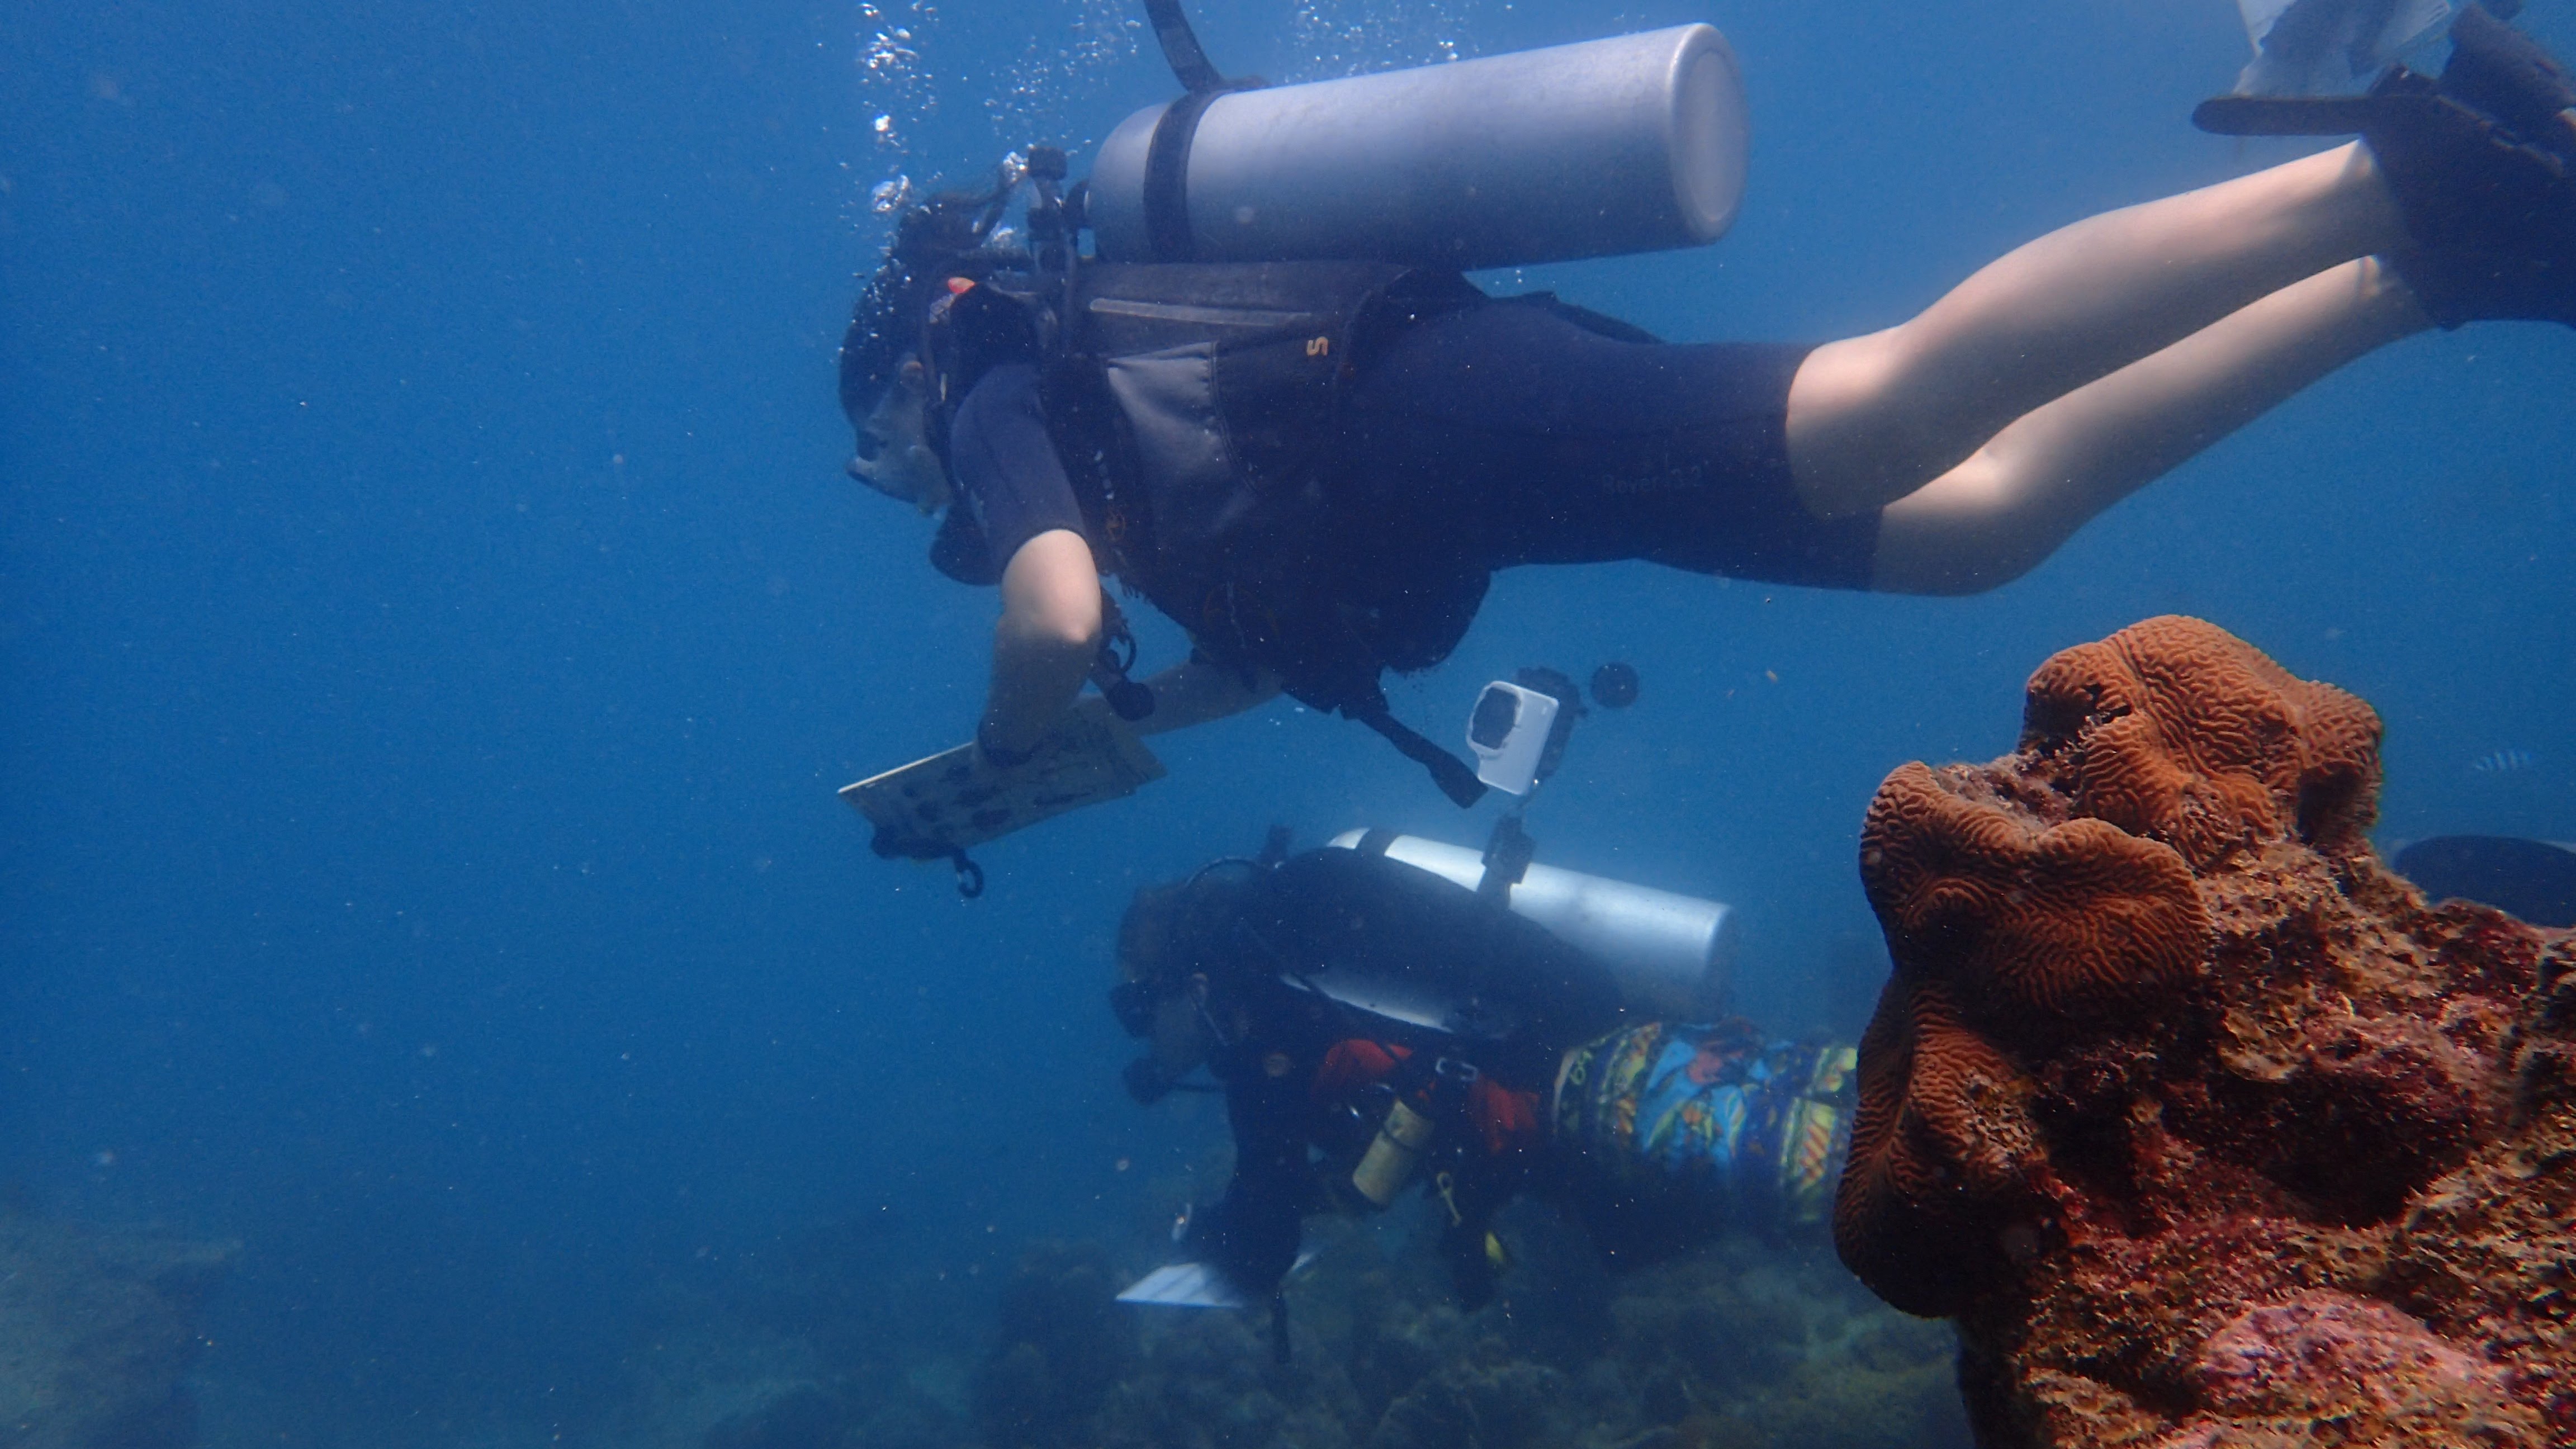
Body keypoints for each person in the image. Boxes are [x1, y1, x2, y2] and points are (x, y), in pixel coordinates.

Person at [839, 10, 2576, 799]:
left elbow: (1049, 611)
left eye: (885, 463)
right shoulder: (1079, 406)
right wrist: (1170, 716)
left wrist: (1011, 748)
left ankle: (2389, 165)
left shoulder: (990, 370)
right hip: (1463, 451)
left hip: (1440, 406)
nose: (913, 494)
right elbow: (1259, 603)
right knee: (1975, 528)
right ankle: (2432, 270)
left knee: (1891, 407)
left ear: (908, 373)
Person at [1109, 840, 1858, 1310]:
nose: (1155, 1045)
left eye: (1144, 1010)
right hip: (1651, 1047)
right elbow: (1388, 1152)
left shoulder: (1260, 1026)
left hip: (1608, 1112)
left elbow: (1261, 1248)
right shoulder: (1303, 951)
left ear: (1186, 981)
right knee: (1886, 1094)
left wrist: (1206, 1231)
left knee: (1883, 1186)